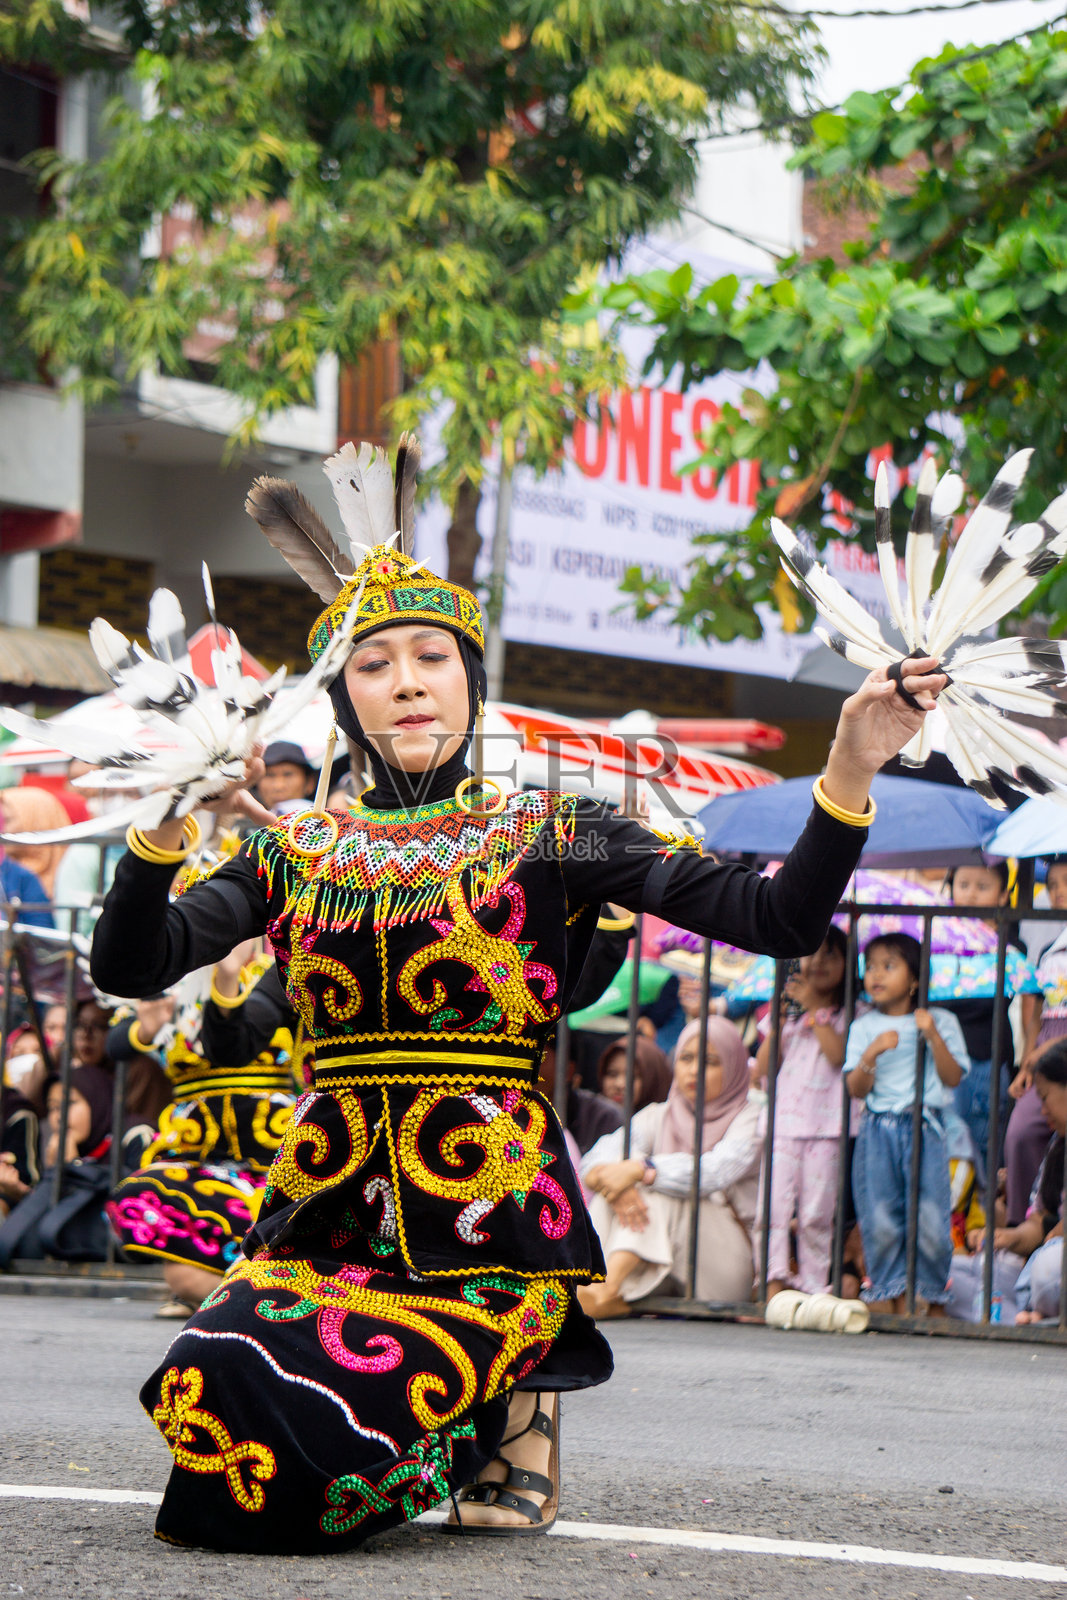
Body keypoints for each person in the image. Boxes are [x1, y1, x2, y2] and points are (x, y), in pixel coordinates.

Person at [86, 445, 945, 1554]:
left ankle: (519, 1397)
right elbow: (132, 962)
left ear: (468, 677)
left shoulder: (555, 830)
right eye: (373, 663)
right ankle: (472, 1412)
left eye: (430, 656)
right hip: (323, 1214)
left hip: (488, 1219)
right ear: (344, 697)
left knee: (319, 1448)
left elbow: (774, 920)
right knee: (216, 1413)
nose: (404, 680)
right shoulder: (294, 851)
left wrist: (847, 765)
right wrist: (159, 834)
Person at [107, 942, 303, 1316]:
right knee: (136, 1195)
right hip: (193, 1155)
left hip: (273, 1151)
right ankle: (247, 1298)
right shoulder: (170, 988)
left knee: (270, 1218)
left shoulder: (273, 975)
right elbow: (115, 1043)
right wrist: (146, 1028)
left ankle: (228, 1296)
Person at [578, 1017, 761, 1317]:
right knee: (622, 1183)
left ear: (733, 1066)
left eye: (710, 1062)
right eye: (686, 1059)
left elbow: (713, 1172)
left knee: (658, 1188)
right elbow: (595, 1159)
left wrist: (642, 1171)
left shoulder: (751, 1117)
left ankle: (607, 1287)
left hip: (723, 1268)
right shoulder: (659, 1114)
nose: (693, 1071)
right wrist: (615, 1181)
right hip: (670, 1268)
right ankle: (594, 1286)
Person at [845, 933, 970, 1313]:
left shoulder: (940, 1021)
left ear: (915, 979)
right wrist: (872, 1052)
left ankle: (932, 1298)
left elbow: (953, 1078)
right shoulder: (864, 1026)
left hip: (924, 1127)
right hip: (878, 1128)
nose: (875, 975)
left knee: (932, 1219)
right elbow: (855, 1088)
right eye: (870, 967)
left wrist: (931, 1035)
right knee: (881, 1216)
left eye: (888, 966)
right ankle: (891, 1295)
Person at [756, 928, 853, 1298]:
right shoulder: (787, 1012)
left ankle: (816, 1286)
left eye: (831, 955)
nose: (819, 963)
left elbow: (839, 1057)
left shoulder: (851, 1013)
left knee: (816, 1213)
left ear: (847, 965)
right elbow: (762, 1069)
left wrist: (816, 1010)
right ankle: (773, 1281)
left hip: (828, 1127)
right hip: (783, 1124)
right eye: (812, 954)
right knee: (772, 1209)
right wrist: (779, 1024)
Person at [941, 860, 1018, 1181]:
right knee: (945, 1151)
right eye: (963, 884)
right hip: (940, 1058)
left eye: (982, 886)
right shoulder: (937, 941)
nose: (971, 893)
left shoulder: (1010, 948)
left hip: (985, 1058)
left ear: (1003, 895)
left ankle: (977, 1226)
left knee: (981, 1154)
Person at [1006, 856, 1067, 1224]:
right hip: (1047, 1042)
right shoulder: (1050, 949)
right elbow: (1035, 1014)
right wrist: (1027, 1062)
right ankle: (1021, 1224)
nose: (1059, 892)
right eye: (1054, 885)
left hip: (1059, 1048)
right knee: (1020, 1131)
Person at [597, 1034, 672, 1114]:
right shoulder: (591, 1118)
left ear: (653, 1080)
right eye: (612, 1074)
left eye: (632, 1077)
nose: (619, 1084)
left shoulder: (667, 1124)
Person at [256, 741, 316, 815]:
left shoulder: (328, 823)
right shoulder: (242, 823)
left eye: (288, 775)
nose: (278, 786)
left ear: (310, 783)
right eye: (270, 775)